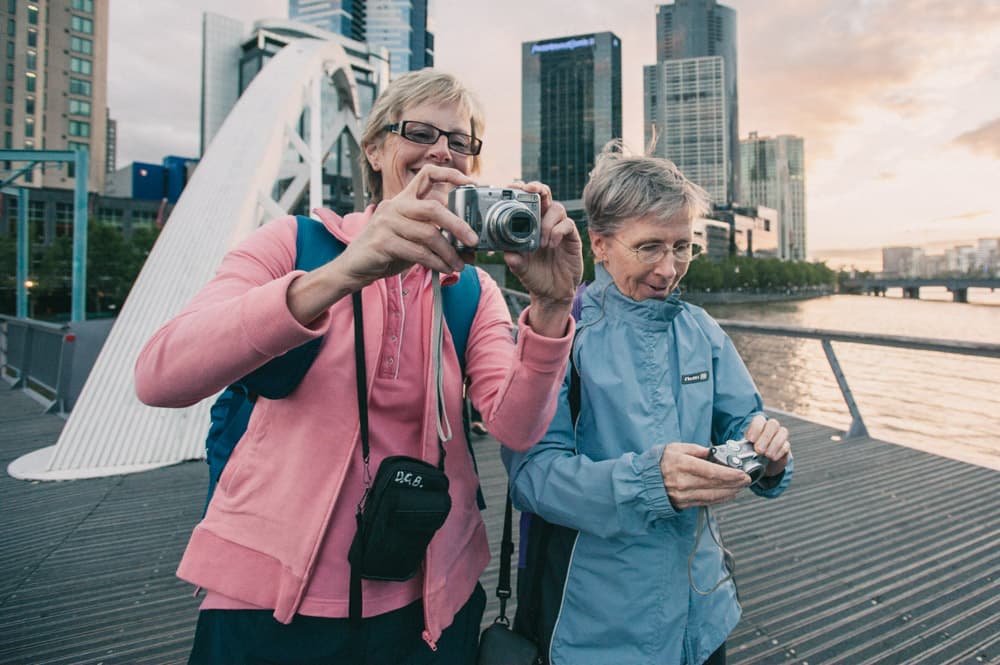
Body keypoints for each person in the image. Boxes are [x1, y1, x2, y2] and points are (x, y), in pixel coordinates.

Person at [135, 69, 582, 665]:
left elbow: (517, 426)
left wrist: (552, 308)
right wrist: (347, 271)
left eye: (460, 141)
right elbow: (160, 376)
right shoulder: (292, 244)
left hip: (429, 601)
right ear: (375, 149)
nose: (442, 152)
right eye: (420, 132)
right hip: (271, 603)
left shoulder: (472, 291)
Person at [503, 145, 793, 665]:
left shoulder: (700, 328)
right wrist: (648, 485)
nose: (670, 268)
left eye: (683, 247)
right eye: (650, 247)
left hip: (702, 618)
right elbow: (533, 475)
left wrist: (766, 448)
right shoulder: (557, 336)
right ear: (600, 245)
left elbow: (742, 418)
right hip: (595, 627)